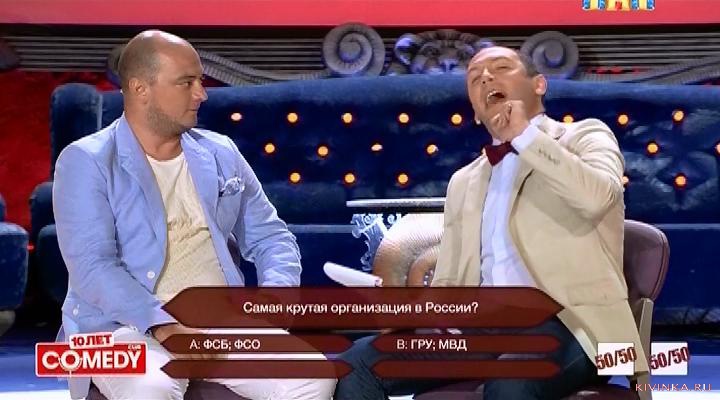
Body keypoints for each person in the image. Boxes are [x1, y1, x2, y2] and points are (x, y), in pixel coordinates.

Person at [334, 46, 649, 400]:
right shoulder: (464, 181)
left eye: (501, 68)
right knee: (358, 364)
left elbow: (598, 198)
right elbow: (450, 281)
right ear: (474, 109)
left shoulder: (586, 136)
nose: (485, 77)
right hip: (483, 328)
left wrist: (525, 137)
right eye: (474, 78)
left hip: (578, 324)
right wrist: (416, 311)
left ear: (539, 85)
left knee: (511, 380)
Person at [53, 30, 336, 400]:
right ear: (140, 89)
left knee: (314, 377)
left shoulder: (220, 152)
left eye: (200, 81)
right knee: (150, 388)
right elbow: (93, 267)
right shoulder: (86, 161)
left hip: (219, 322)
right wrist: (164, 326)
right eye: (186, 83)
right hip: (122, 326)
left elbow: (271, 237)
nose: (201, 94)